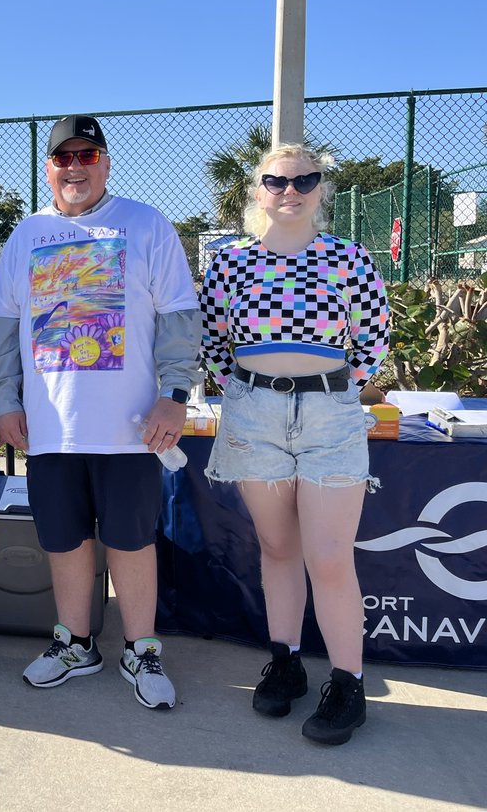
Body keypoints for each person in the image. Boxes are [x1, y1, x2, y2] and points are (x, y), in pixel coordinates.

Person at [0, 115, 201, 710]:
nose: (75, 167)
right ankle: (76, 643)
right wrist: (5, 401)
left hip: (131, 428)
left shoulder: (145, 224)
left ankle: (141, 648)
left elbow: (180, 316)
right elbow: (4, 330)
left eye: (88, 155)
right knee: (65, 540)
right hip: (52, 428)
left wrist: (174, 395)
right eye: (64, 157)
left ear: (105, 163)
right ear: (49, 167)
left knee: (132, 540)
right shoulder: (26, 235)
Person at [199, 143, 389, 745]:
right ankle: (285, 661)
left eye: (305, 180)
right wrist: (253, 394)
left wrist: (331, 392)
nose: (291, 190)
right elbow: (211, 338)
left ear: (320, 190)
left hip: (331, 416)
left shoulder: (349, 259)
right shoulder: (229, 264)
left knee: (330, 558)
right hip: (253, 414)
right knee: (278, 548)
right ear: (257, 190)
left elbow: (374, 336)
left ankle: (348, 682)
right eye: (277, 180)